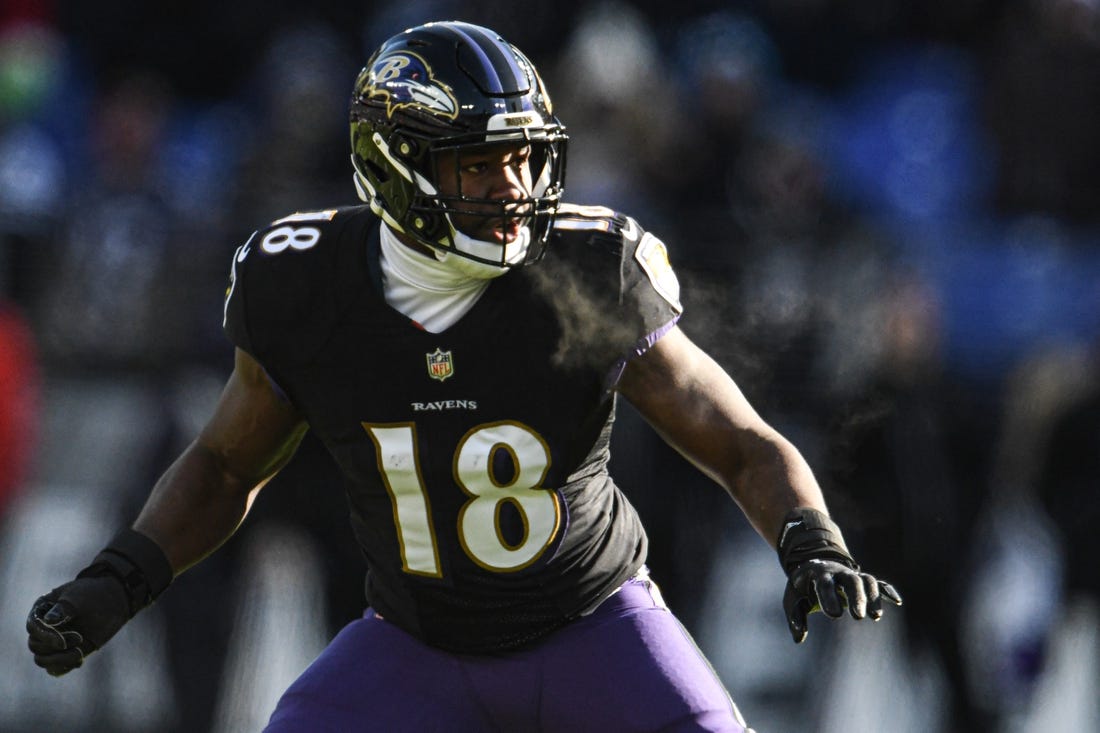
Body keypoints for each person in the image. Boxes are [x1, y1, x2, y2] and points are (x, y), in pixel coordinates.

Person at [26, 20, 901, 733]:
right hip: (413, 646)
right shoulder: (305, 283)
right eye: (477, 163)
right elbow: (224, 466)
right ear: (393, 165)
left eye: (521, 157)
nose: (511, 186)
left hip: (594, 626)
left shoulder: (583, 270)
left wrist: (809, 535)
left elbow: (738, 439)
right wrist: (120, 579)